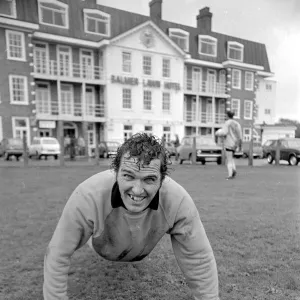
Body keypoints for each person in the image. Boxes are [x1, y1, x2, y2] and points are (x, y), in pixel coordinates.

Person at [43, 133, 220, 300]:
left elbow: (198, 258)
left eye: (149, 179)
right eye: (128, 176)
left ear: (162, 179)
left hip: (139, 247)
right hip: (100, 244)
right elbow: (58, 252)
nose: (137, 189)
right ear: (116, 172)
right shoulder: (88, 195)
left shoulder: (177, 200)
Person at [215, 110, 242, 179]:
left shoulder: (227, 123)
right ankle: (234, 169)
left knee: (229, 159)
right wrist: (239, 144)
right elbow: (240, 135)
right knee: (231, 157)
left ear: (227, 115)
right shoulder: (237, 124)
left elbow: (224, 132)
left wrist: (217, 133)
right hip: (235, 143)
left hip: (229, 142)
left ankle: (230, 174)